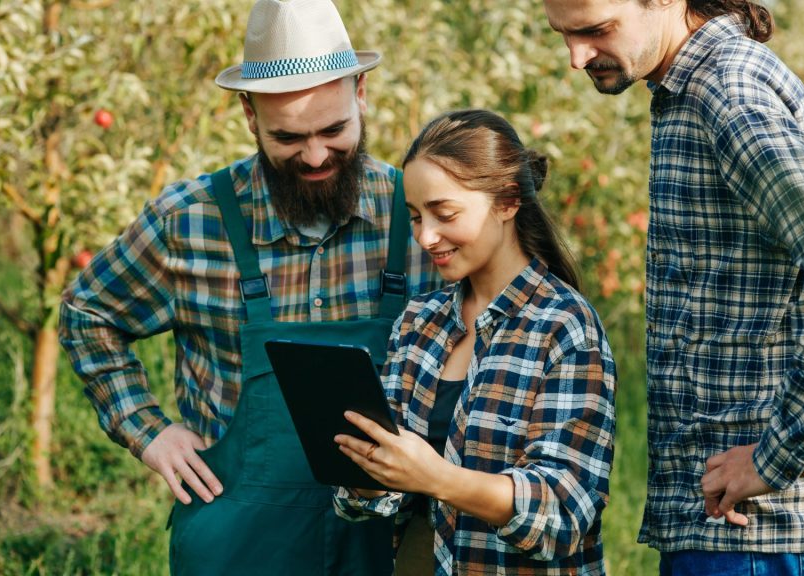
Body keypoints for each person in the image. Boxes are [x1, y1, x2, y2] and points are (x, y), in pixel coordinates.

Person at [58, 1, 442, 574]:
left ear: (361, 93)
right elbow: (86, 313)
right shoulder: (190, 222)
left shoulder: (418, 220)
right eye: (288, 137)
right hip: (235, 548)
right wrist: (147, 430)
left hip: (381, 548)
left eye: (333, 130)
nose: (315, 156)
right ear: (249, 113)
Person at [540, 0, 804, 574]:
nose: (576, 57)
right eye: (563, 34)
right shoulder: (695, 89)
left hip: (757, 535)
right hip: (738, 529)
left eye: (596, 30)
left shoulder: (729, 95)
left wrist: (772, 459)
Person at [331, 109, 617, 576]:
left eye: (445, 214)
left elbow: (563, 512)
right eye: (416, 217)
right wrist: (369, 474)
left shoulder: (565, 327)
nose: (426, 237)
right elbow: (378, 499)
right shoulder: (418, 322)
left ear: (507, 201)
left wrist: (438, 478)